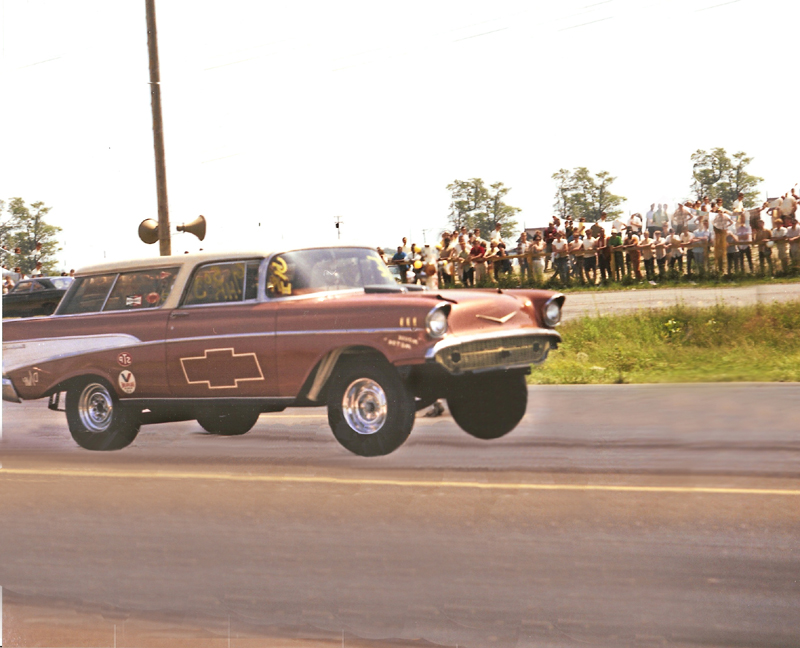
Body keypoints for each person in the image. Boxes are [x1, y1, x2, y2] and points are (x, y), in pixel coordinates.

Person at [711, 208, 734, 273]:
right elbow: (713, 223)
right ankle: (718, 268)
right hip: (719, 232)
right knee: (718, 252)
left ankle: (725, 269)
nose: (720, 213)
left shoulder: (725, 216)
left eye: (721, 211)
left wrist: (726, 226)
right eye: (719, 211)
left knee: (724, 252)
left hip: (723, 231)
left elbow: (731, 222)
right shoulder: (716, 217)